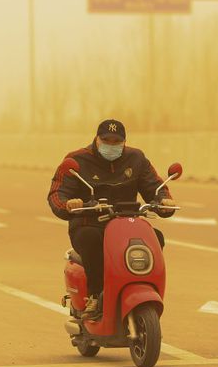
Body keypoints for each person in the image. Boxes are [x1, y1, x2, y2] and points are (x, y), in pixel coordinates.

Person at [47, 119, 176, 320]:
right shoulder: (76, 160)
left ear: (124, 142)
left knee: (155, 238)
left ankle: (144, 289)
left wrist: (164, 201)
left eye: (117, 141)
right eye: (106, 140)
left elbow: (155, 187)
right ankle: (95, 295)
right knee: (89, 239)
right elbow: (57, 194)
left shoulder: (137, 158)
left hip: (127, 226)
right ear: (97, 139)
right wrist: (68, 204)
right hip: (90, 224)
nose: (111, 145)